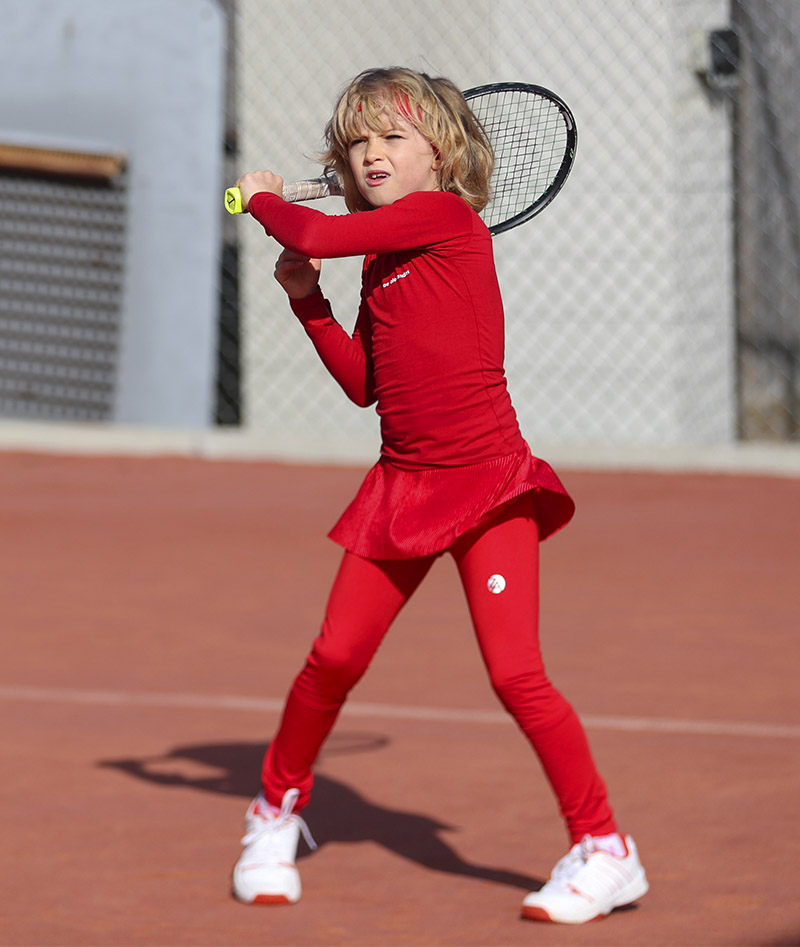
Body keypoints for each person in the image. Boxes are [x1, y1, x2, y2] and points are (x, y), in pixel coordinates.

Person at [230, 66, 648, 925]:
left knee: (516, 673)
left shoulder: (446, 219)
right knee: (335, 657)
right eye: (359, 140)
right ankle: (273, 813)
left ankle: (606, 849)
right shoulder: (383, 255)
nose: (373, 153)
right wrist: (308, 302)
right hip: (402, 484)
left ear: (442, 153)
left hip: (490, 483)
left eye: (394, 136)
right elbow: (365, 387)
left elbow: (306, 227)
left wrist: (264, 199)